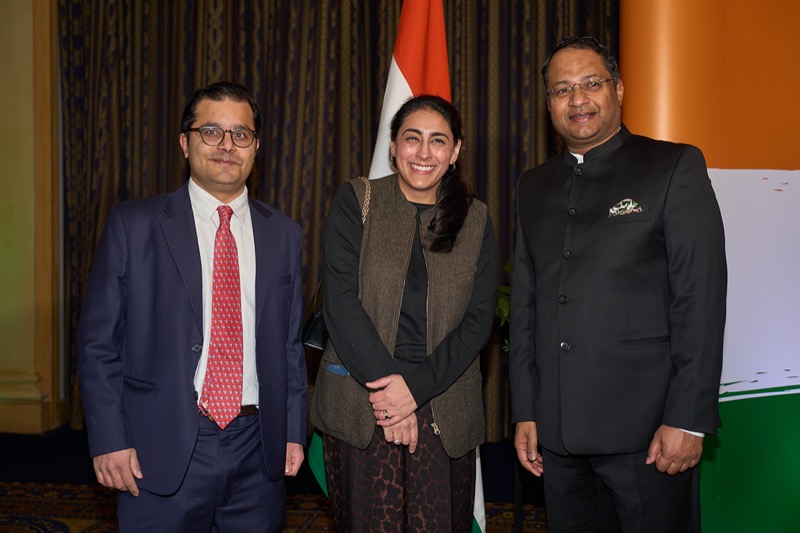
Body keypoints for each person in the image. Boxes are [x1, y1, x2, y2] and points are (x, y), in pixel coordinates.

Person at [509, 36, 727, 532]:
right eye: (562, 89)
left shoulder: (673, 166)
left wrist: (688, 418)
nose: (578, 99)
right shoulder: (532, 186)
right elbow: (525, 307)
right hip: (558, 437)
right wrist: (526, 411)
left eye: (592, 83)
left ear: (619, 89)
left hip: (649, 434)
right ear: (548, 103)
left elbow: (699, 299)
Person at [78, 81, 307, 531]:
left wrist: (294, 430)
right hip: (158, 445)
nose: (227, 145)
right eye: (211, 131)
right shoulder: (133, 224)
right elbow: (97, 343)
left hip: (258, 448)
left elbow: (290, 346)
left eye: (241, 134)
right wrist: (108, 437)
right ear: (185, 143)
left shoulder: (284, 234)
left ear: (256, 148)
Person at [310, 94, 498, 531]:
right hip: (364, 406)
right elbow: (341, 302)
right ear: (393, 146)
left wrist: (413, 390)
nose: (424, 152)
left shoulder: (475, 219)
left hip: (443, 408)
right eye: (412, 138)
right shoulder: (357, 200)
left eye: (438, 141)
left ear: (455, 151)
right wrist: (390, 394)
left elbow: (478, 320)